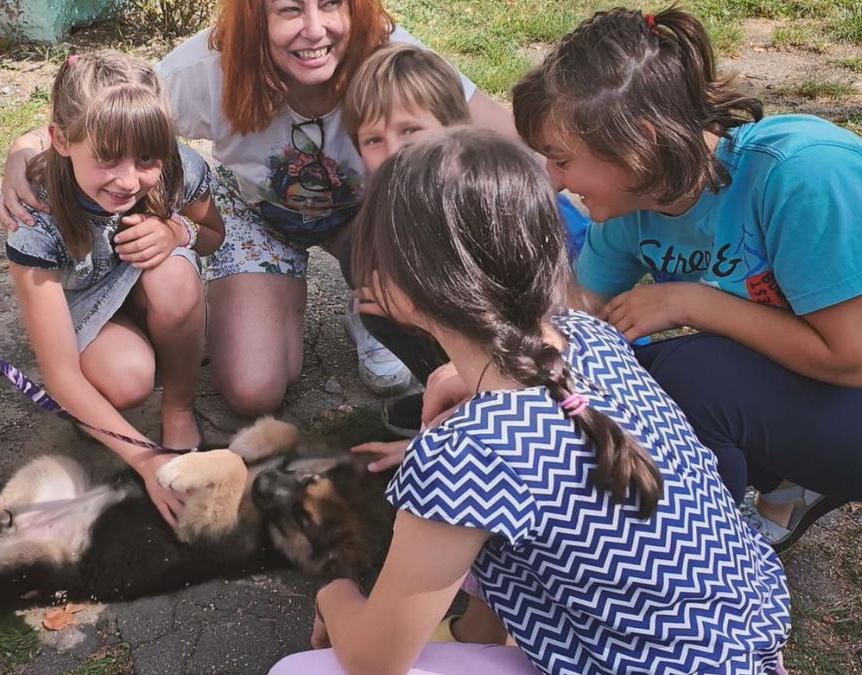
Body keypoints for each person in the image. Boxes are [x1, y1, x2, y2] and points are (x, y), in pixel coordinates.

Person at [272, 128, 790, 675]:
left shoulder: (470, 457)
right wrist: (458, 416)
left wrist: (331, 583)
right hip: (741, 647)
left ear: (402, 284)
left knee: (301, 672)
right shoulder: (589, 339)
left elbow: (375, 661)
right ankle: (482, 635)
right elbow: (540, 459)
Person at [0, 0, 520, 416]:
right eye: (289, 9)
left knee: (420, 227)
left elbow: (498, 135)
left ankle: (370, 306)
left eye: (331, 5)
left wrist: (582, 227)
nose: (314, 29)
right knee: (253, 390)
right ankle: (285, 301)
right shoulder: (208, 66)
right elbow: (107, 110)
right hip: (255, 218)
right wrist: (21, 152)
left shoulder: (386, 52)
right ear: (254, 16)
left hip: (370, 219)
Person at [511, 6, 862, 551]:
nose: (554, 183)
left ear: (640, 141)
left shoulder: (801, 174)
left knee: (687, 376)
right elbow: (573, 324)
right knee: (624, 385)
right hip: (821, 389)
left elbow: (852, 357)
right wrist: (480, 376)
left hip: (849, 376)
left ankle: (707, 555)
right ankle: (760, 496)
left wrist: (695, 303)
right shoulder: (638, 204)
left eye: (561, 160)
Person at [3, 50, 225, 526]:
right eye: (107, 158)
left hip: (150, 288)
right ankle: (110, 400)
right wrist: (145, 460)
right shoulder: (35, 218)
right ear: (61, 141)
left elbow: (213, 236)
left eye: (147, 158)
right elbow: (58, 375)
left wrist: (177, 232)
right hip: (84, 306)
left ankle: (179, 405)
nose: (129, 179)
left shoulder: (177, 167)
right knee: (126, 380)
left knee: (174, 271)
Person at [338, 41, 591, 439]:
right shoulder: (404, 211)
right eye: (373, 140)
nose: (393, 153)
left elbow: (561, 317)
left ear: (456, 129)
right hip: (498, 345)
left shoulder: (497, 204)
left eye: (410, 131)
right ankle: (453, 393)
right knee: (375, 287)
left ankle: (483, 402)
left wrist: (421, 316)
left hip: (565, 355)